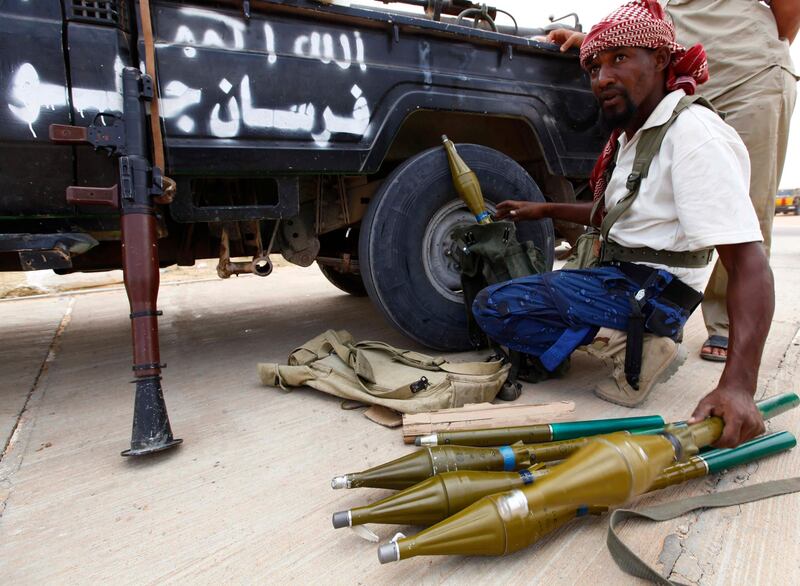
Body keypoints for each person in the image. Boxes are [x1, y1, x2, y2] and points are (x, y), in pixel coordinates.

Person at [475, 0, 770, 447]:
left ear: (660, 59)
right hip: (630, 280)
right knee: (538, 292)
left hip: (652, 290)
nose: (602, 78)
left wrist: (739, 385)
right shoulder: (635, 136)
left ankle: (626, 343)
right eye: (593, 67)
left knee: (493, 306)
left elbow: (749, 263)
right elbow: (614, 215)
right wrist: (544, 210)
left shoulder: (691, 134)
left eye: (619, 59)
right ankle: (633, 341)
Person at [547, 0, 799, 362]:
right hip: (683, 77)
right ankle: (664, 310)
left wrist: (759, 45)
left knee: (742, 215)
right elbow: (645, 31)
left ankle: (729, 329)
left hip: (748, 71)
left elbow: (787, 10)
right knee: (659, 200)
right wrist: (601, 46)